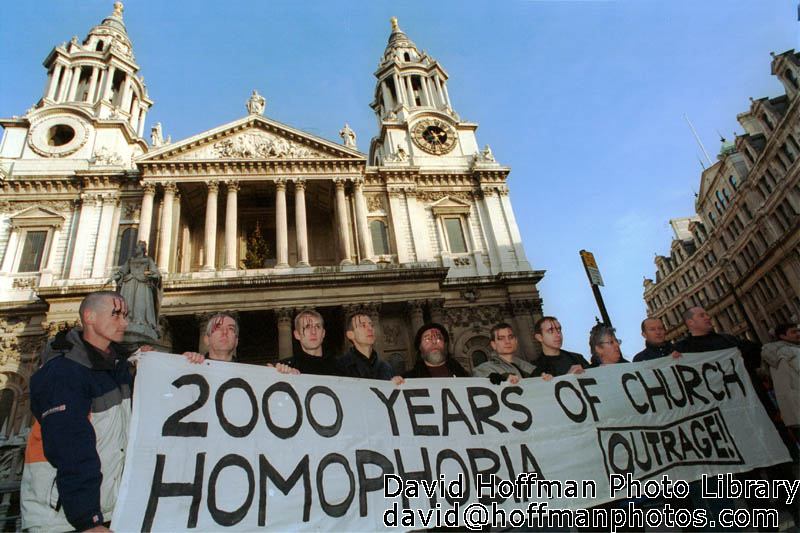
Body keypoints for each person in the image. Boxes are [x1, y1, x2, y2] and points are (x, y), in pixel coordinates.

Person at [21, 291, 202, 532]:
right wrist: (87, 520)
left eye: (125, 316)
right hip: (63, 518)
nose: (125, 323)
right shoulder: (63, 374)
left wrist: (181, 367)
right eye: (116, 315)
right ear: (90, 317)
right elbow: (70, 448)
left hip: (109, 508)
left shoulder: (117, 371)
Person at [111, 241, 161, 339]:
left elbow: (156, 273)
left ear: (142, 249)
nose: (135, 249)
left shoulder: (148, 260)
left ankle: (141, 320)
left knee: (140, 303)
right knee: (128, 302)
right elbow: (122, 272)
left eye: (137, 248)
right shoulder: (130, 260)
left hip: (142, 284)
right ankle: (128, 319)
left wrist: (151, 275)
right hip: (130, 283)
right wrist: (113, 277)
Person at [472, 322, 545, 384]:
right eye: (501, 338)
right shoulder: (482, 370)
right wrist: (503, 380)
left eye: (510, 337)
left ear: (516, 341)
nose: (507, 341)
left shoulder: (530, 368)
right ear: (493, 345)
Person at [761, 323, 800, 431]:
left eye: (798, 331)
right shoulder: (789, 352)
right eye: (794, 332)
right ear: (783, 336)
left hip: (793, 409)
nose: (798, 333)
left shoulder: (775, 354)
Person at [336, 312, 394, 380]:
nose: (370, 329)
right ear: (350, 335)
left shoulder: (386, 368)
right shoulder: (339, 366)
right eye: (363, 325)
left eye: (371, 325)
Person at [401, 323, 468, 379]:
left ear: (445, 344)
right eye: (427, 339)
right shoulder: (408, 379)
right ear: (420, 347)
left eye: (438, 338)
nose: (434, 342)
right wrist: (394, 385)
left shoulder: (463, 375)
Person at [286, 308, 340, 375]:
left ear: (323, 333)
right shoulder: (286, 367)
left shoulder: (341, 367)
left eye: (317, 327)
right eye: (307, 327)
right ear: (297, 335)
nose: (313, 332)